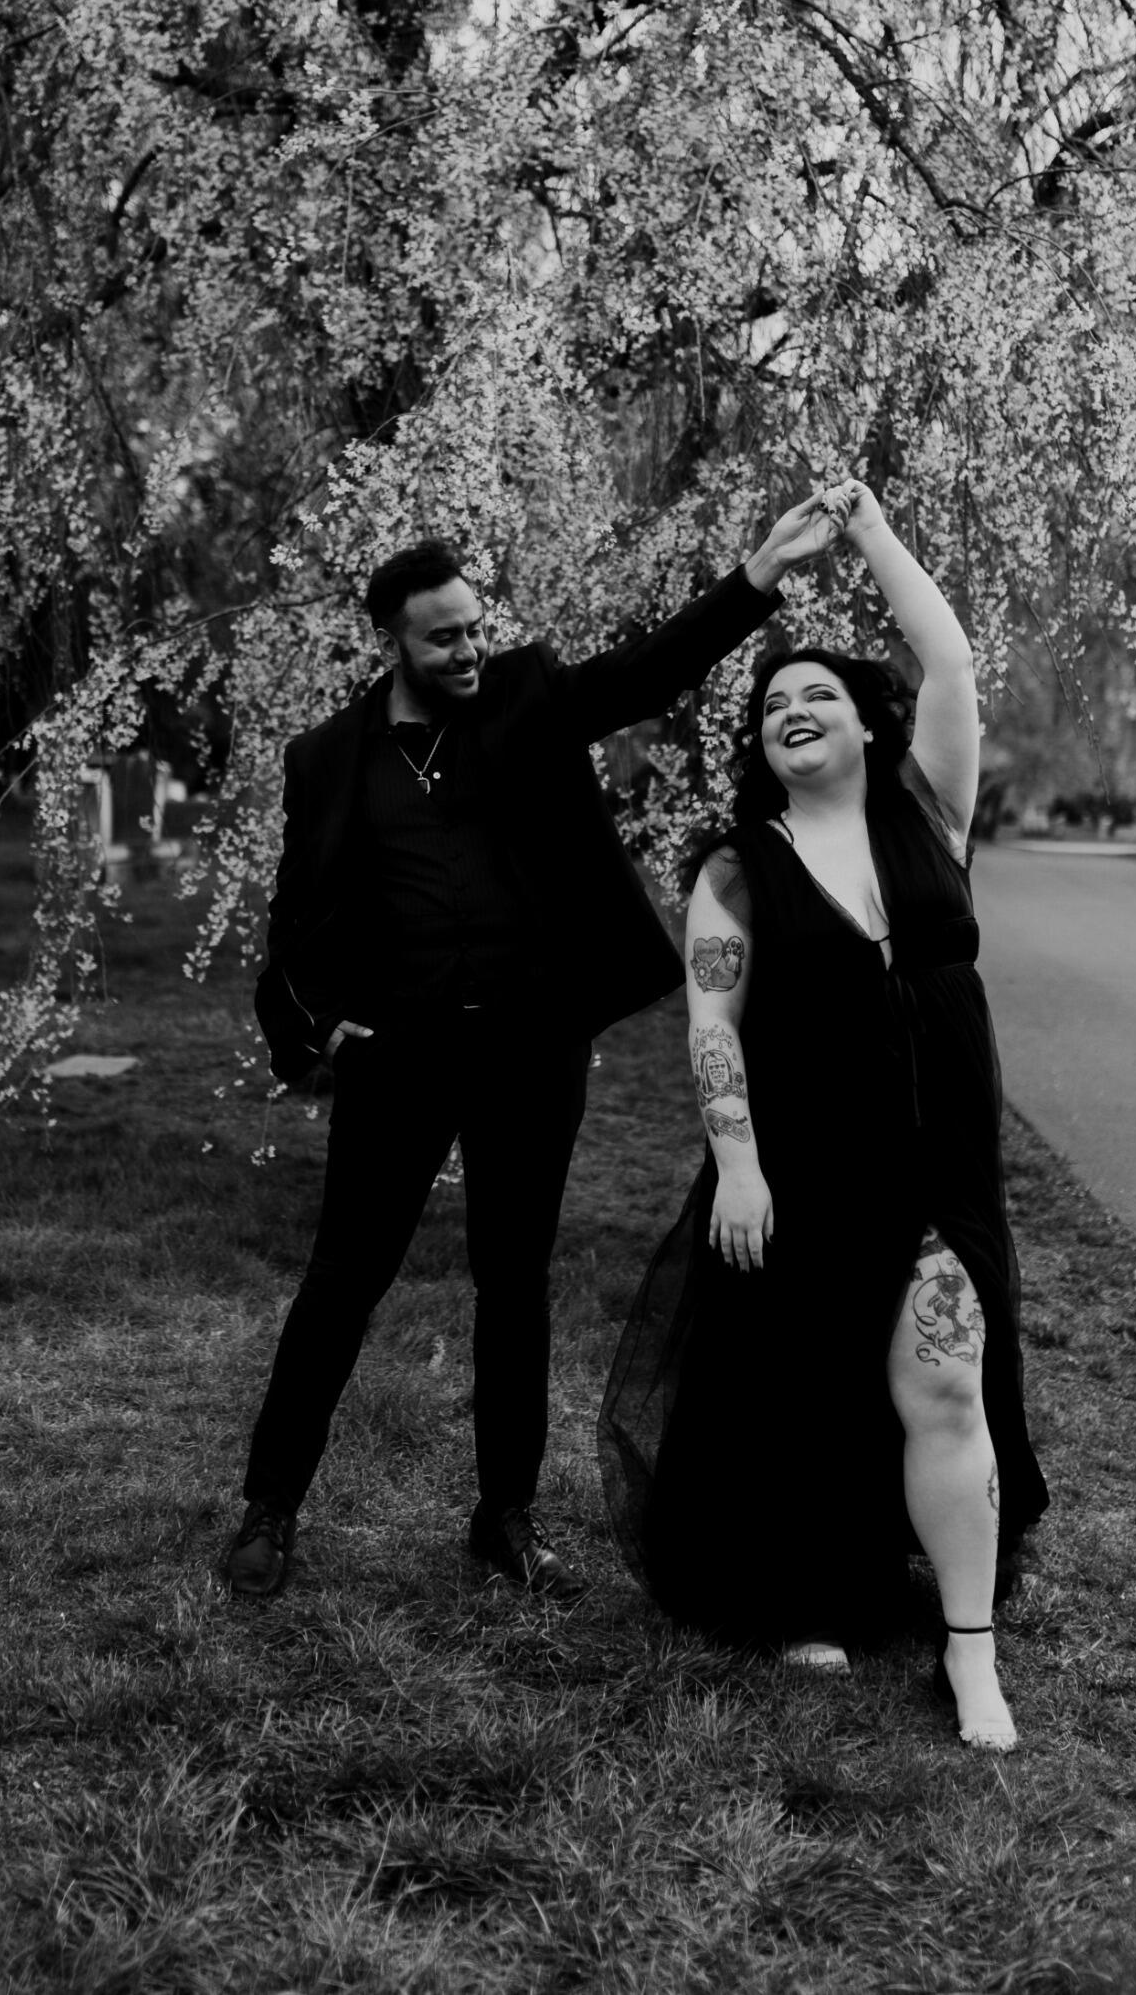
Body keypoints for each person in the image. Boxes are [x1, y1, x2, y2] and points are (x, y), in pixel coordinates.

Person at [224, 498, 844, 1602]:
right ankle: (269, 1507)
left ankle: (503, 1515)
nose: (468, 650)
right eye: (443, 637)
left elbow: (647, 673)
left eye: (474, 626)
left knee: (514, 1281)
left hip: (528, 1047)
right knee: (342, 1278)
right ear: (393, 642)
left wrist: (755, 576)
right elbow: (297, 918)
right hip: (400, 1054)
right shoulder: (327, 759)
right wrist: (318, 1027)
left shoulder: (523, 698)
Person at [598, 477, 1048, 1750]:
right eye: (772, 707)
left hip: (938, 1160)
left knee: (946, 1380)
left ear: (865, 724)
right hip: (800, 1162)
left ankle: (971, 1657)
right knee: (798, 1388)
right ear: (763, 747)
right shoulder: (739, 866)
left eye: (818, 697)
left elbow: (950, 651)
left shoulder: (929, 815)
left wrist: (867, 532)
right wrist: (737, 1165)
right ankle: (805, 1593)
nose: (793, 711)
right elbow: (709, 1021)